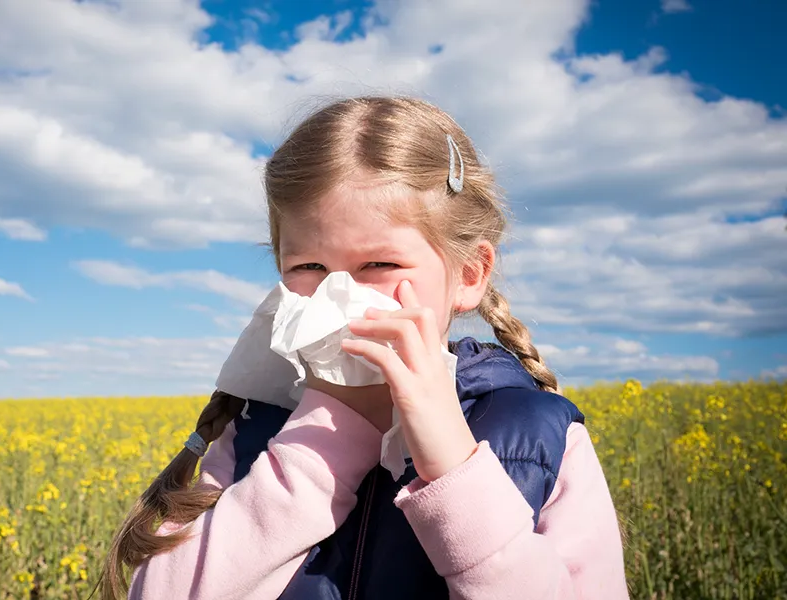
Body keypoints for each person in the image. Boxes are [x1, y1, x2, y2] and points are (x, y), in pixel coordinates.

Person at [98, 96, 629, 599]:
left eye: (379, 265)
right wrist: (327, 435)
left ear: (468, 275)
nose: (339, 294)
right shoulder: (256, 427)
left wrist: (454, 467)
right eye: (309, 267)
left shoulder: (537, 434)